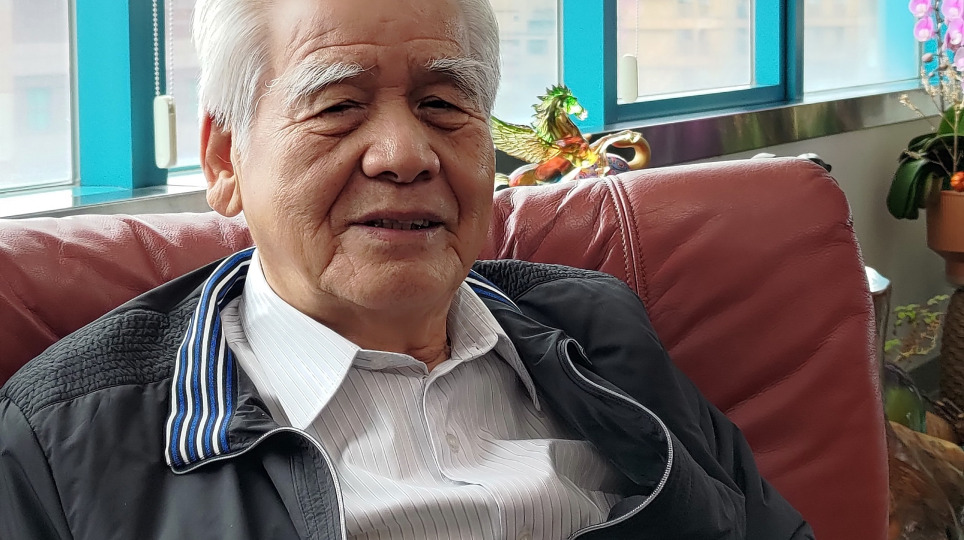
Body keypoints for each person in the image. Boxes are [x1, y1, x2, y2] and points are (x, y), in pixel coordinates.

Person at [0, 0, 814, 538]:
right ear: (224, 159)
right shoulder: (63, 442)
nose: (403, 154)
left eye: (443, 105)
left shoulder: (598, 332)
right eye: (337, 106)